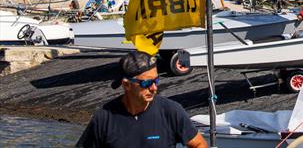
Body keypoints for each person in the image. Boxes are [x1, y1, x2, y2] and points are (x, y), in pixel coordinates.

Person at [76, 51, 207, 148]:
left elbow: (199, 144)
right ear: (126, 85)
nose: (154, 88)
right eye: (146, 83)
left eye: (156, 80)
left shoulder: (171, 111)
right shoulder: (104, 117)